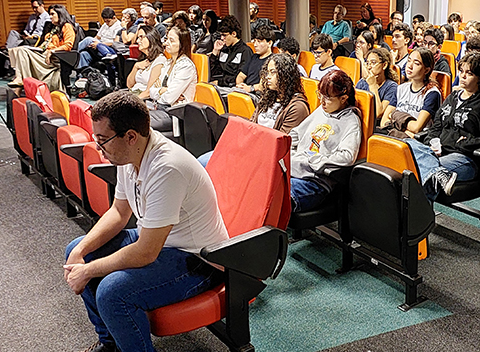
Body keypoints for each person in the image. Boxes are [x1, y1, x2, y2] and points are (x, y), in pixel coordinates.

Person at [64, 91, 228, 352]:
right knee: (78, 248)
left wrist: (88, 271)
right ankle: (111, 345)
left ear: (131, 136)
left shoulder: (167, 168)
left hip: (198, 259)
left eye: (102, 140)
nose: (98, 147)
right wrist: (81, 252)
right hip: (157, 244)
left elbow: (146, 252)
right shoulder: (126, 154)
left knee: (112, 293)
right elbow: (119, 213)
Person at [406, 51, 480, 198]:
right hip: (438, 152)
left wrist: (468, 143)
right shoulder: (452, 97)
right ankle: (438, 173)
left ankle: (418, 218)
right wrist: (432, 142)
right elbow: (436, 126)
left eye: (469, 73)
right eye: (461, 71)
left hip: (465, 158)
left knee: (420, 174)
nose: (463, 76)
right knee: (407, 144)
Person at [198, 54, 311, 167]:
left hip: (268, 159)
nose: (268, 77)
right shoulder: (268, 97)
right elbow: (251, 124)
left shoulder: (297, 107)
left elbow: (280, 144)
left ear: (286, 75)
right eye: (267, 72)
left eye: (273, 72)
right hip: (252, 149)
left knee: (208, 163)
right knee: (202, 160)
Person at [289, 70, 362, 212]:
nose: (322, 101)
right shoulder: (322, 110)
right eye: (320, 95)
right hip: (294, 169)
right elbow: (296, 133)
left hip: (315, 181)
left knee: (274, 198)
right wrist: (287, 149)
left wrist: (313, 161)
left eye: (328, 98)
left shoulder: (351, 121)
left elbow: (347, 156)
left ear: (343, 98)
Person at [7, 4, 75, 92]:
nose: (50, 17)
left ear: (60, 14)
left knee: (22, 51)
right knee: (19, 50)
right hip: (43, 52)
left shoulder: (67, 26)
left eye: (52, 14)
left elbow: (68, 46)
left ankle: (22, 83)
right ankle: (21, 79)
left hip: (55, 57)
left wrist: (51, 51)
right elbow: (46, 43)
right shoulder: (54, 28)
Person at [380, 48, 442, 137]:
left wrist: (394, 115)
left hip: (416, 142)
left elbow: (417, 128)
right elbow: (384, 121)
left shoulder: (432, 93)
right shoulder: (400, 89)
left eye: (416, 63)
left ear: (427, 70)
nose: (410, 66)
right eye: (409, 61)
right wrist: (406, 131)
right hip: (397, 135)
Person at [209, 15, 252, 88]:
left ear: (234, 34)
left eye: (224, 35)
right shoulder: (224, 49)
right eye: (221, 35)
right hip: (218, 85)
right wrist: (215, 52)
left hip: (231, 87)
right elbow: (214, 72)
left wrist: (220, 82)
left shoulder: (245, 52)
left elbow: (239, 77)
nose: (222, 38)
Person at [356, 47, 398, 120]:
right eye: (367, 63)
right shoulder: (362, 82)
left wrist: (373, 86)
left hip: (376, 125)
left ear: (384, 65)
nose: (369, 67)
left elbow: (378, 113)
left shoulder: (392, 87)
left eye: (373, 63)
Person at [126, 26, 166, 94]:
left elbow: (149, 92)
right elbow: (129, 85)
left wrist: (135, 100)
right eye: (138, 38)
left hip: (143, 98)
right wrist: (135, 67)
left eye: (141, 37)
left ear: (151, 37)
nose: (137, 41)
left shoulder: (160, 60)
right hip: (133, 93)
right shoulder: (144, 59)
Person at [236, 25, 275, 92]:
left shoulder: (273, 61)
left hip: (258, 94)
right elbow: (240, 76)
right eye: (254, 41)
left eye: (259, 41)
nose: (255, 45)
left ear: (269, 43)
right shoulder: (253, 57)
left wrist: (251, 88)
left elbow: (267, 84)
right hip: (245, 91)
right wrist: (241, 87)